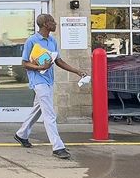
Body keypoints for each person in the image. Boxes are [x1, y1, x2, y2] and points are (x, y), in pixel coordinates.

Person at [14, 14, 89, 160]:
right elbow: (24, 63)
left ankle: (21, 134)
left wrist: (77, 71)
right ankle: (58, 147)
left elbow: (58, 61)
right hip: (38, 81)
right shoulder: (32, 40)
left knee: (38, 109)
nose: (55, 24)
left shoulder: (52, 40)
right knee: (49, 114)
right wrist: (40, 66)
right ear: (45, 24)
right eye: (52, 22)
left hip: (48, 81)